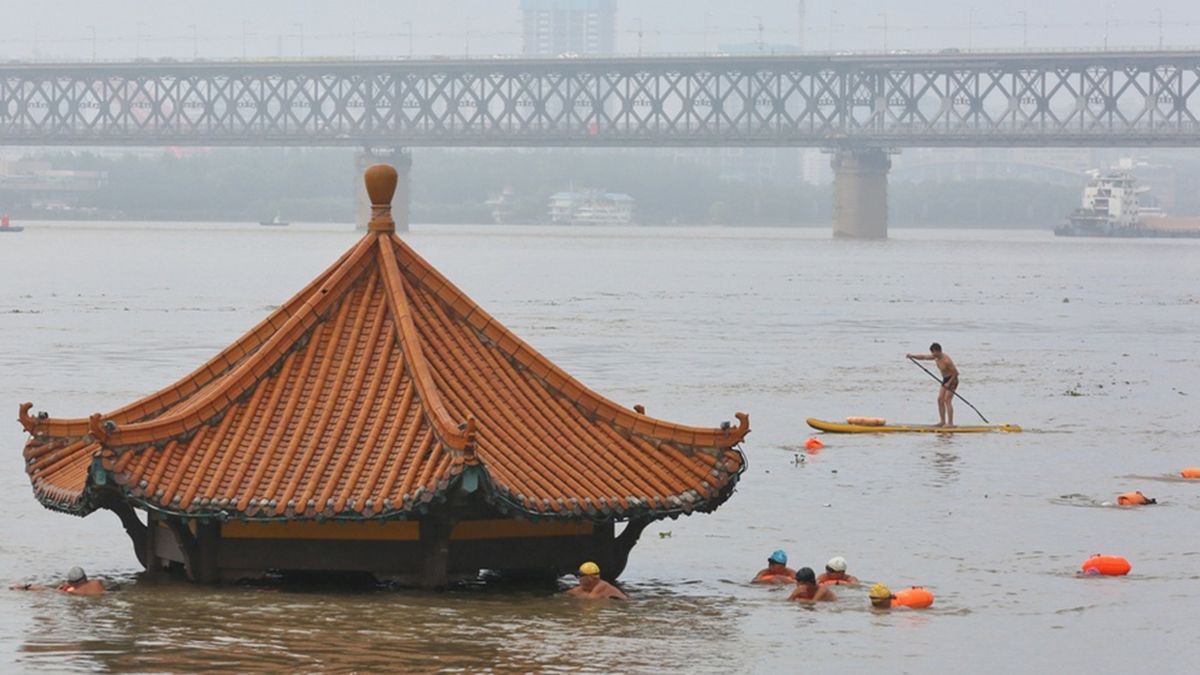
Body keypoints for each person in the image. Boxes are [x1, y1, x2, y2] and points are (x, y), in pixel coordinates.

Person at [906, 343, 960, 427]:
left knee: (947, 400)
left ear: (937, 351)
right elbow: (923, 357)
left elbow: (956, 373)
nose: (932, 354)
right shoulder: (936, 357)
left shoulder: (946, 360)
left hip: (953, 380)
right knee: (940, 399)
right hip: (945, 379)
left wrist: (949, 383)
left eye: (933, 352)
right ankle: (942, 421)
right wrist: (912, 356)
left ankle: (950, 423)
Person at [11, 567, 106, 596]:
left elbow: (44, 589)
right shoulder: (97, 583)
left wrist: (25, 587)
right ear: (85, 577)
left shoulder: (72, 592)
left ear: (71, 582)